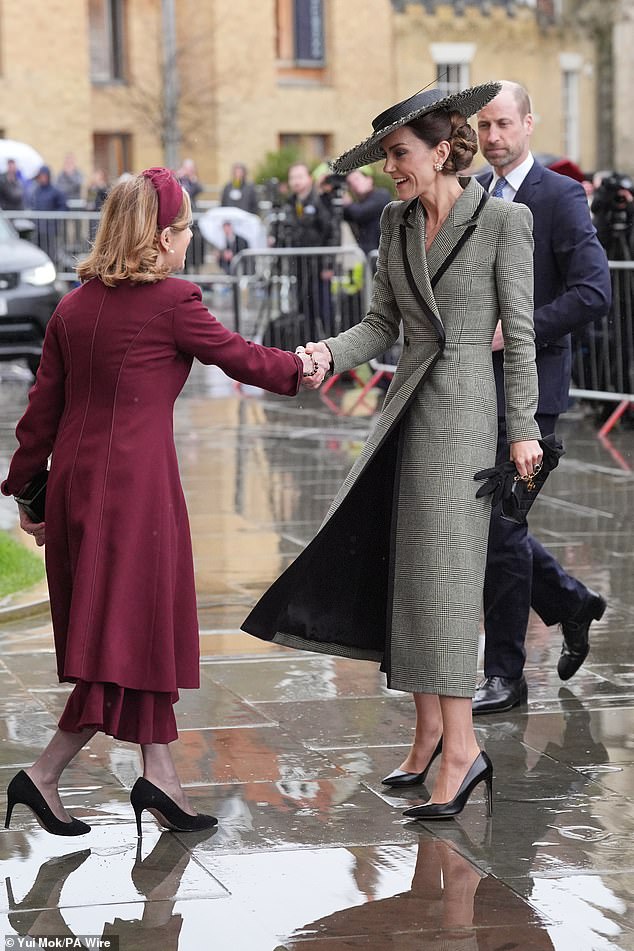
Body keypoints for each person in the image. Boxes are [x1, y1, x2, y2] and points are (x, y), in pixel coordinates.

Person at [243, 82, 543, 820]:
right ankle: (436, 734)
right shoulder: (393, 221)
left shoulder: (507, 219)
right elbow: (380, 323)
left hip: (468, 410)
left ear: (443, 149)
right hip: (404, 407)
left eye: (399, 155)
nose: (388, 169)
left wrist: (523, 428)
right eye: (383, 158)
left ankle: (464, 750)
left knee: (446, 578)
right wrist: (323, 354)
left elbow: (524, 333)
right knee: (414, 575)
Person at [1, 167, 325, 838]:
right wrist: (304, 368)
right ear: (156, 236)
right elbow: (238, 356)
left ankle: (161, 776)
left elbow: (39, 416)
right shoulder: (172, 300)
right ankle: (44, 773)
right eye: (181, 230)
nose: (187, 242)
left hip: (77, 489)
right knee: (116, 643)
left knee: (133, 633)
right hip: (134, 494)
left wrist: (29, 493)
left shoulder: (72, 305)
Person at [472, 81, 612, 714]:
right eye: (483, 127)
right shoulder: (470, 195)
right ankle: (569, 603)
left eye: (504, 123)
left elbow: (593, 291)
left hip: (535, 392)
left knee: (501, 527)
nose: (493, 136)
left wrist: (519, 330)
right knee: (486, 524)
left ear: (529, 123)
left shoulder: (560, 195)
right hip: (472, 389)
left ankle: (504, 674)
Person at [281, 161, 337, 339]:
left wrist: (329, 264)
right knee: (304, 310)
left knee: (324, 311)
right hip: (298, 267)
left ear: (309, 178)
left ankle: (336, 354)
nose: (295, 181)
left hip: (319, 266)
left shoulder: (320, 200)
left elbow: (332, 233)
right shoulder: (290, 203)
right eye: (292, 178)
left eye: (299, 177)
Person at [342, 167, 392, 256]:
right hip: (367, 257)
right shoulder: (356, 205)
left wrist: (347, 203)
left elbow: (361, 212)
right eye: (350, 183)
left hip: (383, 256)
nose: (354, 184)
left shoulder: (381, 195)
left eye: (357, 179)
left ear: (369, 180)